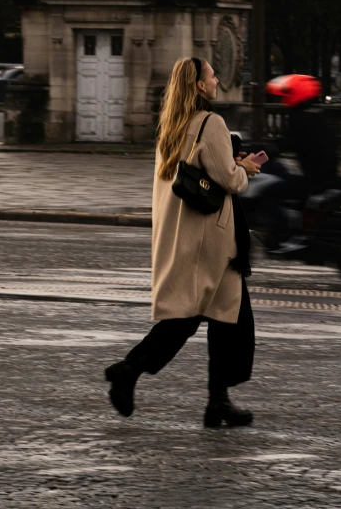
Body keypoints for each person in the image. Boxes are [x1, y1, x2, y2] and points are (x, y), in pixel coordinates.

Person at [105, 57, 261, 427]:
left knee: (225, 317)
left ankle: (217, 401)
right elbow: (229, 179)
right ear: (198, 86)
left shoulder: (172, 126)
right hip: (212, 241)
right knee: (193, 320)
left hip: (184, 235)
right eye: (211, 75)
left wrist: (230, 163)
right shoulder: (212, 122)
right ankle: (128, 371)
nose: (217, 79)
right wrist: (246, 168)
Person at [262, 74, 339, 251]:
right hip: (328, 175)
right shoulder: (320, 114)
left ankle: (284, 235)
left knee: (269, 193)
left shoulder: (300, 118)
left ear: (298, 93)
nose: (285, 98)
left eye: (288, 94)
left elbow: (283, 145)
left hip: (314, 180)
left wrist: (257, 156)